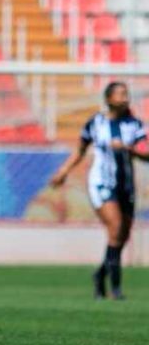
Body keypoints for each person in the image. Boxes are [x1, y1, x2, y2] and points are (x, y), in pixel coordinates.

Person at [50, 81, 148, 300]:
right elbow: (80, 150)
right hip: (101, 183)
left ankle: (100, 274)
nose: (125, 97)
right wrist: (64, 171)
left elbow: (146, 153)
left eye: (126, 93)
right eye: (120, 94)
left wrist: (129, 149)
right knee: (115, 226)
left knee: (122, 236)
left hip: (126, 185)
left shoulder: (135, 125)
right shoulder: (96, 123)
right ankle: (116, 288)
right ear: (109, 98)